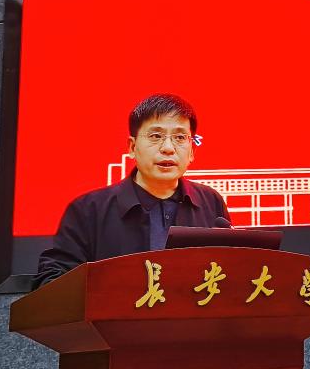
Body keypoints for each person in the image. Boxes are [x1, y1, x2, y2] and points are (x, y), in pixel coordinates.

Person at [35, 93, 230, 287]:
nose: (168, 148)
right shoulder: (88, 211)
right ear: (132, 146)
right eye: (156, 136)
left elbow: (231, 273)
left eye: (180, 137)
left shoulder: (211, 203)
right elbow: (54, 280)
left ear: (192, 151)